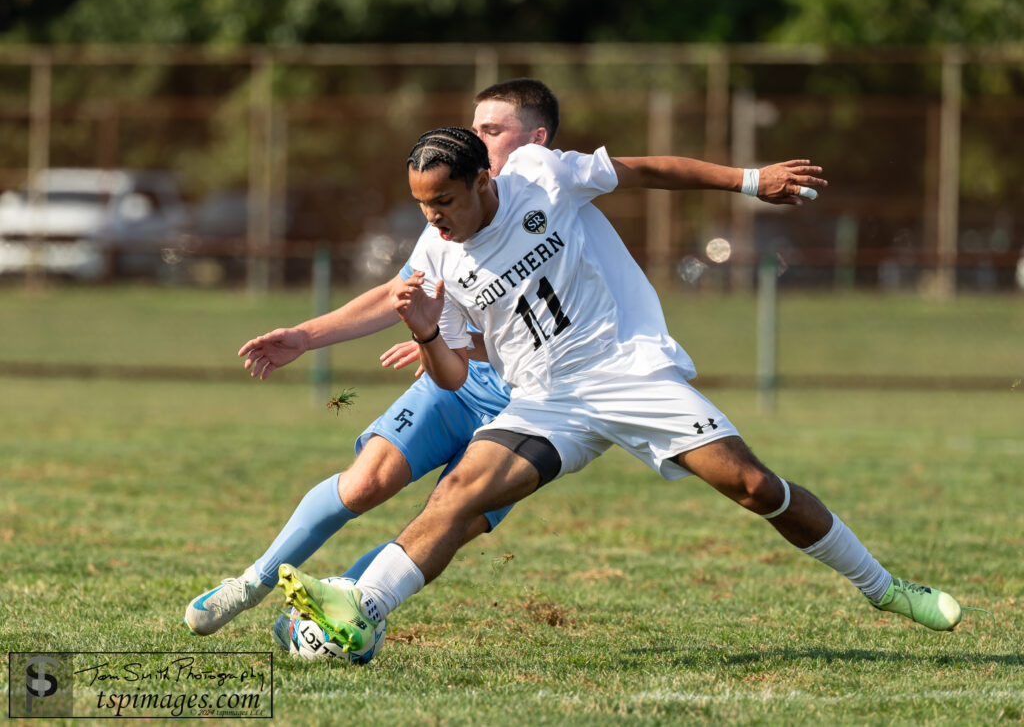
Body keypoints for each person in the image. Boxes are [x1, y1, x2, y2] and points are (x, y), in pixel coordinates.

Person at [277, 126, 964, 659]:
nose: (434, 219)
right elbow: (455, 376)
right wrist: (429, 336)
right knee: (457, 496)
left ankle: (886, 588)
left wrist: (751, 180)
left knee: (753, 486)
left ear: (484, 180)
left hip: (629, 372)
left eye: (445, 201)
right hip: (545, 400)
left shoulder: (542, 177)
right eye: (422, 206)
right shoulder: (436, 257)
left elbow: (644, 171)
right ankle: (361, 609)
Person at [184, 79, 825, 637]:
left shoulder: (552, 184)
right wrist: (311, 334)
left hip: (536, 402)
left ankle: (329, 617)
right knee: (368, 482)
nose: (473, 138)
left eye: (490, 130)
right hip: (460, 384)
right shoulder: (449, 213)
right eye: (472, 127)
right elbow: (404, 292)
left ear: (533, 140)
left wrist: (746, 181)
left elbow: (558, 301)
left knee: (448, 520)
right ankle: (254, 581)